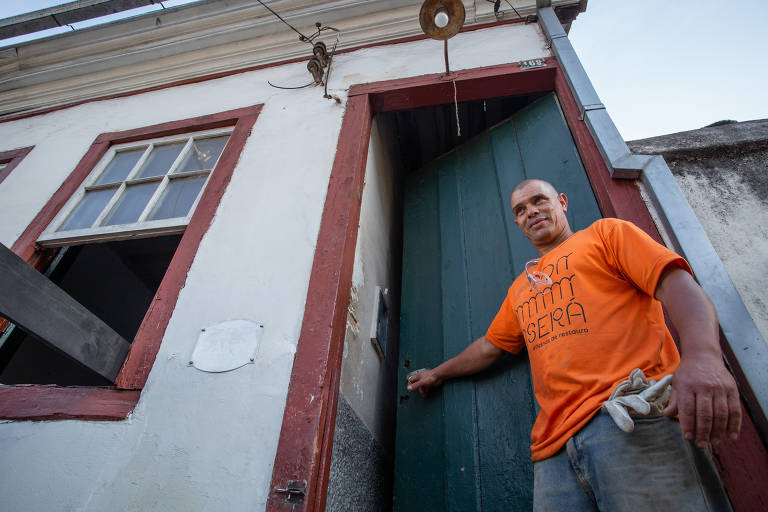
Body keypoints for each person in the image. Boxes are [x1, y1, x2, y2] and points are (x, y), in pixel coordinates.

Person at [406, 178, 741, 511]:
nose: (531, 212)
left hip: (630, 419)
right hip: (553, 454)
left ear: (562, 202)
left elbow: (676, 283)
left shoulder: (606, 235)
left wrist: (703, 356)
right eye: (520, 210)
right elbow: (488, 347)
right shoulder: (519, 290)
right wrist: (437, 373)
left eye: (539, 200)